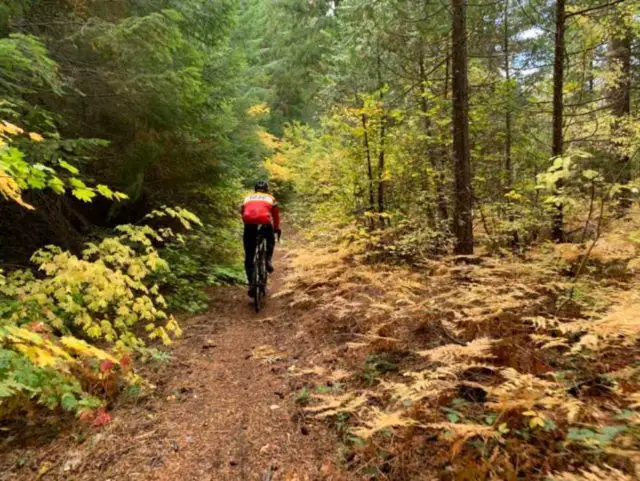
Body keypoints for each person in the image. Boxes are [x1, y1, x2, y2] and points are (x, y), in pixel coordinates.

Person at [241, 180, 281, 297]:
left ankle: (251, 284)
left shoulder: (247, 198)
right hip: (264, 222)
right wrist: (276, 228)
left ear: (255, 189)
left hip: (249, 224)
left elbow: (243, 212)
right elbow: (276, 215)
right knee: (270, 239)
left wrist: (248, 225)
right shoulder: (270, 198)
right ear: (267, 189)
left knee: (249, 255)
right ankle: (268, 260)